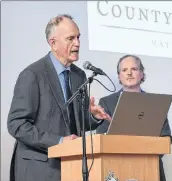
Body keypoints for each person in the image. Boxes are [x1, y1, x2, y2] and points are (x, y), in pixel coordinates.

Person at [7, 14, 111, 181]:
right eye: (70, 38)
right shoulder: (32, 75)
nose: (77, 43)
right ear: (53, 43)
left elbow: (74, 124)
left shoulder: (79, 75)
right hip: (39, 168)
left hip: (72, 166)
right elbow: (17, 125)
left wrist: (91, 116)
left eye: (78, 37)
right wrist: (60, 141)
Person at [96, 54, 172, 181]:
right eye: (124, 70)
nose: (129, 73)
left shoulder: (155, 103)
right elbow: (101, 138)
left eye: (134, 69)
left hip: (151, 169)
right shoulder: (106, 103)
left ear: (142, 74)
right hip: (116, 169)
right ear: (119, 76)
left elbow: (166, 138)